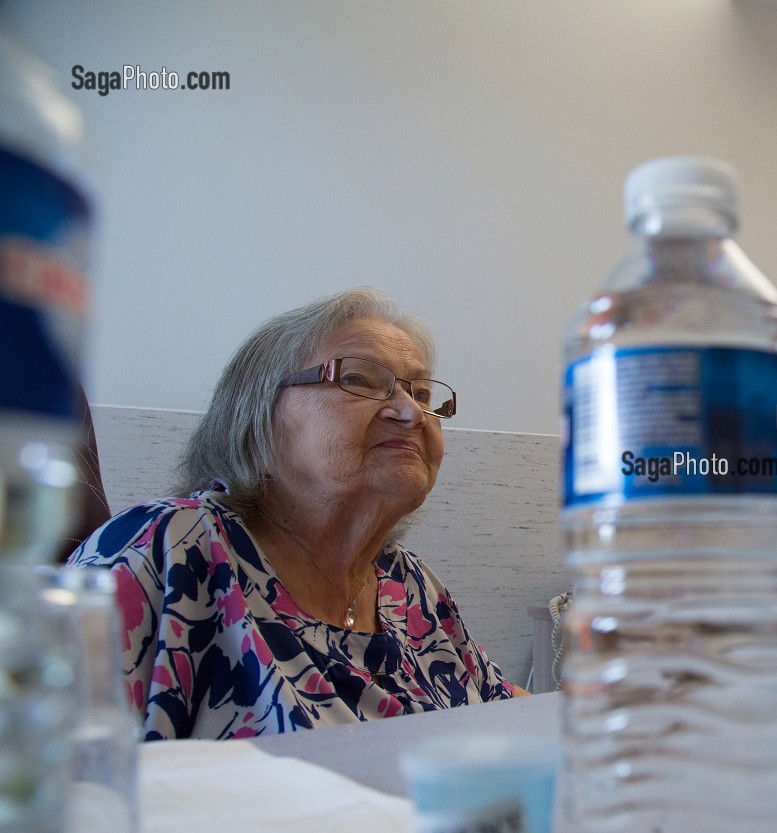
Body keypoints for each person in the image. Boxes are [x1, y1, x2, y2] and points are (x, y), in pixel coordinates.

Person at [69, 287, 520, 739]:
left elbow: (506, 711)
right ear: (258, 418)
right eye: (359, 379)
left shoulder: (410, 584)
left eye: (422, 393)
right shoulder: (167, 550)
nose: (411, 412)